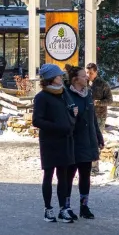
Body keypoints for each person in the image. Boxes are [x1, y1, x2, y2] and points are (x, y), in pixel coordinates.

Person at [33, 63, 77, 223]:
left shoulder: (63, 94)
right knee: (49, 174)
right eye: (58, 76)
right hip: (50, 141)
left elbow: (68, 112)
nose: (61, 77)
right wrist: (57, 127)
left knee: (63, 176)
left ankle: (63, 209)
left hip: (65, 139)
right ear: (51, 79)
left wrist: (72, 116)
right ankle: (48, 208)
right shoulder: (41, 97)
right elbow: (37, 120)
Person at [68, 65, 104, 220]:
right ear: (75, 79)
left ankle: (84, 206)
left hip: (88, 140)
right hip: (74, 141)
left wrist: (98, 136)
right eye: (83, 76)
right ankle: (66, 206)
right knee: (69, 175)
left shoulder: (88, 94)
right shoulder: (67, 95)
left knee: (85, 175)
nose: (87, 78)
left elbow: (93, 118)